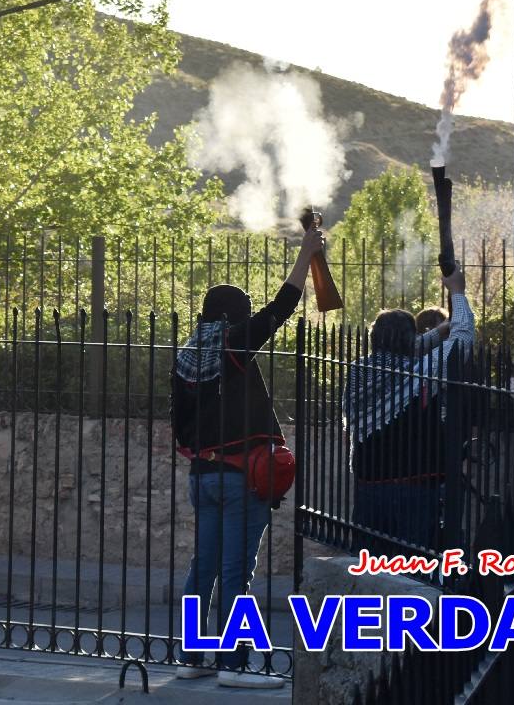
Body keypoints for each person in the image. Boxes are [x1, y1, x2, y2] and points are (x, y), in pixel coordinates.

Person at [171, 224, 324, 690]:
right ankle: (235, 665)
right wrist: (306, 253)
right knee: (237, 569)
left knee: (205, 566)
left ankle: (193, 655)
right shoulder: (234, 345)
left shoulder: (184, 356)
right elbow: (283, 306)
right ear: (234, 316)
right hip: (242, 477)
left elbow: (179, 426)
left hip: (203, 476)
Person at [344, 268, 474, 553]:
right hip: (413, 488)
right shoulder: (417, 373)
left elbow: (404, 349)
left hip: (368, 487)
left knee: (369, 568)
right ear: (409, 340)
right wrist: (458, 293)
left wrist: (441, 329)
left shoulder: (358, 371)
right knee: (410, 568)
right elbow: (463, 340)